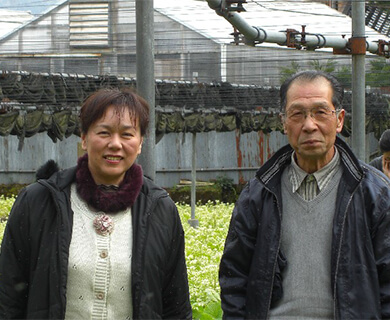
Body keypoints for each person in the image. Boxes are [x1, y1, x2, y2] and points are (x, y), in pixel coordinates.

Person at [0, 87, 192, 319]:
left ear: (140, 143)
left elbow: (175, 305)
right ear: (84, 138)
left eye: (127, 134)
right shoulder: (39, 202)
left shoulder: (160, 210)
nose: (115, 144)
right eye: (104, 132)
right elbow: (8, 296)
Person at [219, 70, 390, 319]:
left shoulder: (375, 194)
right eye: (297, 114)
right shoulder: (258, 194)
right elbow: (235, 279)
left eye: (321, 112)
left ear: (339, 120)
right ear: (284, 123)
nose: (309, 125)